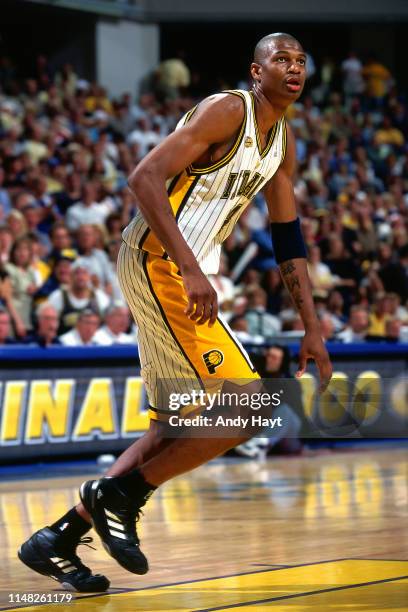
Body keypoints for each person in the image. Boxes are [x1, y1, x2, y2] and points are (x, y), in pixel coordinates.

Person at [19, 33, 332, 592]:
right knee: (251, 409)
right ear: (255, 72)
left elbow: (288, 238)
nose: (294, 68)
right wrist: (191, 268)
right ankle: (120, 494)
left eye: (301, 62)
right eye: (281, 60)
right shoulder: (227, 109)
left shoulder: (282, 141)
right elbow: (143, 177)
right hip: (158, 262)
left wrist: (313, 327)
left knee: (177, 427)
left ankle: (58, 538)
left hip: (179, 272)